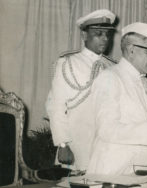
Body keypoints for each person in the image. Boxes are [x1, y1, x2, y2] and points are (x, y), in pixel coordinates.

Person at [87, 22, 147, 175]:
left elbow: (143, 135)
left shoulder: (146, 83)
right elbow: (107, 130)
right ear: (131, 50)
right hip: (112, 173)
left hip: (139, 172)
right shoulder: (110, 78)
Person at [46, 9, 117, 171]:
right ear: (84, 36)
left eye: (107, 34)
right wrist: (63, 144)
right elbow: (56, 106)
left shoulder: (113, 66)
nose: (105, 39)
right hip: (78, 144)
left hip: (107, 145)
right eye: (98, 34)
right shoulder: (68, 63)